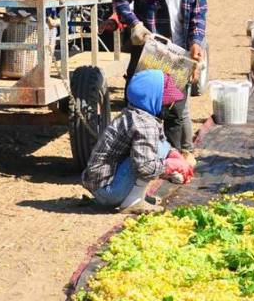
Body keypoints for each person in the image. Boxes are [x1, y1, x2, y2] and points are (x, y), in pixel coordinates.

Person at [113, 0, 208, 168]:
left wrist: (196, 42)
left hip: (179, 55)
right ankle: (134, 162)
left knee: (175, 112)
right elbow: (120, 0)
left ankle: (170, 163)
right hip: (150, 51)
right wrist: (135, 24)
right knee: (141, 109)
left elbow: (199, 13)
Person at [83, 70, 194, 213]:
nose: (171, 104)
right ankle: (132, 201)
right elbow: (144, 167)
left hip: (101, 185)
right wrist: (171, 165)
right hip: (109, 191)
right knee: (155, 152)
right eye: (167, 101)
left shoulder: (136, 112)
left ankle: (134, 196)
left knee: (160, 147)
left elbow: (162, 142)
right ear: (153, 99)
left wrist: (174, 155)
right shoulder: (144, 123)